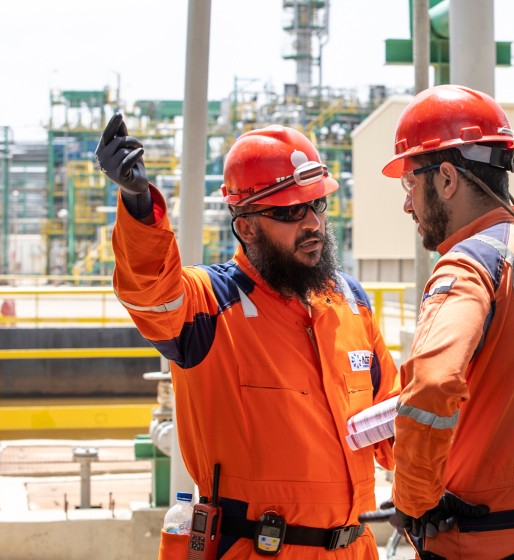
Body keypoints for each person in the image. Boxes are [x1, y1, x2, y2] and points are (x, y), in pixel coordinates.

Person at [96, 114, 400, 560]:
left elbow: (397, 425)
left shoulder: (350, 302)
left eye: (316, 205)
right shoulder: (209, 306)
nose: (312, 222)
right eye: (290, 211)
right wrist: (139, 205)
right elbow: (148, 291)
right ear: (248, 225)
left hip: (355, 549)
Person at [378, 85, 514, 559]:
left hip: (486, 543)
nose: (407, 205)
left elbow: (432, 384)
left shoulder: (472, 263)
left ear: (444, 178)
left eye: (409, 184)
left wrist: (414, 501)